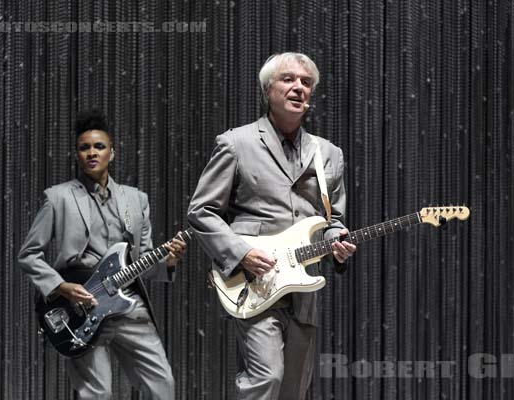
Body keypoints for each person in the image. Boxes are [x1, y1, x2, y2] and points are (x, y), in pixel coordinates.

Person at [187, 52, 357, 400]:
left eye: (306, 82)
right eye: (288, 79)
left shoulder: (328, 153)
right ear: (268, 90)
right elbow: (201, 211)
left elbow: (331, 219)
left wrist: (336, 240)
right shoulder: (236, 143)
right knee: (266, 379)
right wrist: (241, 252)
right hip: (255, 281)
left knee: (293, 390)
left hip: (303, 287)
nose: (299, 87)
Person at [18, 109, 186, 400]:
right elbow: (29, 254)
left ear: (112, 152)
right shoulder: (58, 198)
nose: (91, 153)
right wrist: (61, 287)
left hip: (128, 304)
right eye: (84, 148)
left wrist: (168, 261)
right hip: (81, 308)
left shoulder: (136, 199)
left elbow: (144, 260)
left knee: (163, 385)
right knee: (96, 393)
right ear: (76, 155)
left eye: (99, 147)